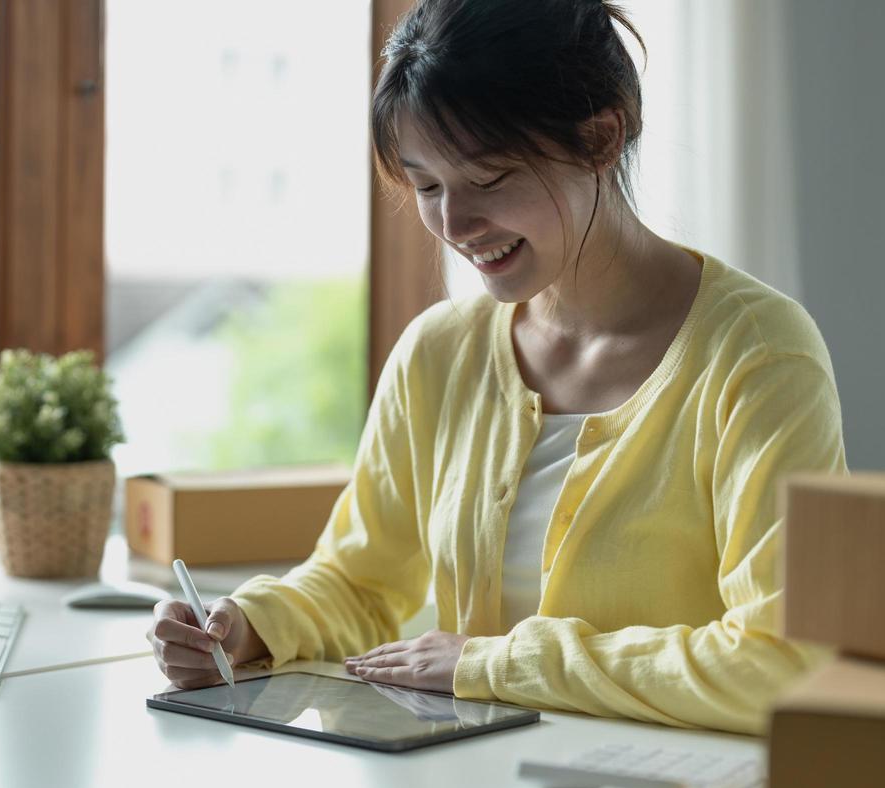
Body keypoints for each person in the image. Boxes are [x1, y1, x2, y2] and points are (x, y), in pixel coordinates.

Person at [147, 0, 846, 737]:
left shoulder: (759, 353)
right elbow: (360, 580)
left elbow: (781, 661)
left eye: (489, 178)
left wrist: (490, 665)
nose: (454, 225)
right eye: (426, 186)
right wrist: (245, 626)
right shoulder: (439, 351)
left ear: (601, 136)